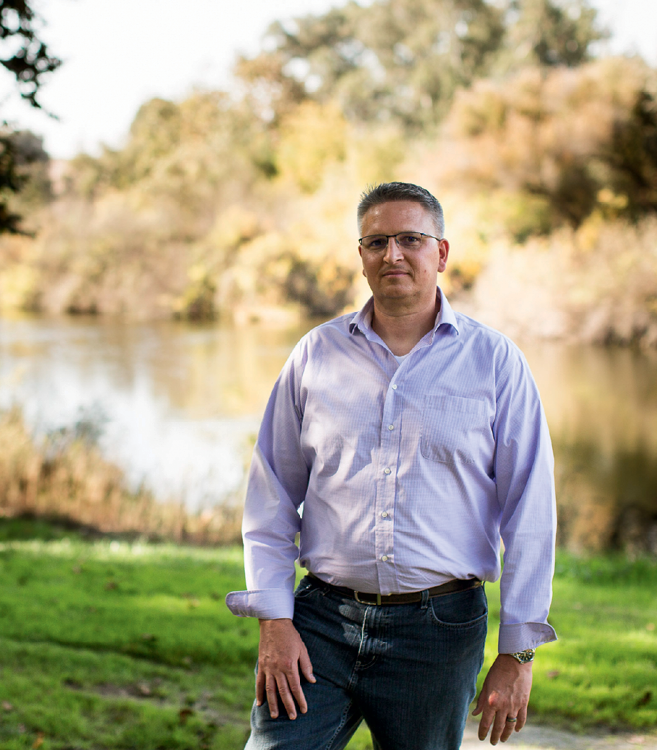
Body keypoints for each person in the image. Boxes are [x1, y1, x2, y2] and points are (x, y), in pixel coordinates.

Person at [225, 182, 557, 750]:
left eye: (410, 239)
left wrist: (517, 651)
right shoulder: (315, 355)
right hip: (319, 625)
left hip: (439, 632)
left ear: (442, 253)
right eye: (376, 241)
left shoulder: (496, 363)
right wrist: (275, 621)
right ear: (361, 257)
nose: (393, 254)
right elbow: (272, 494)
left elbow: (530, 509)